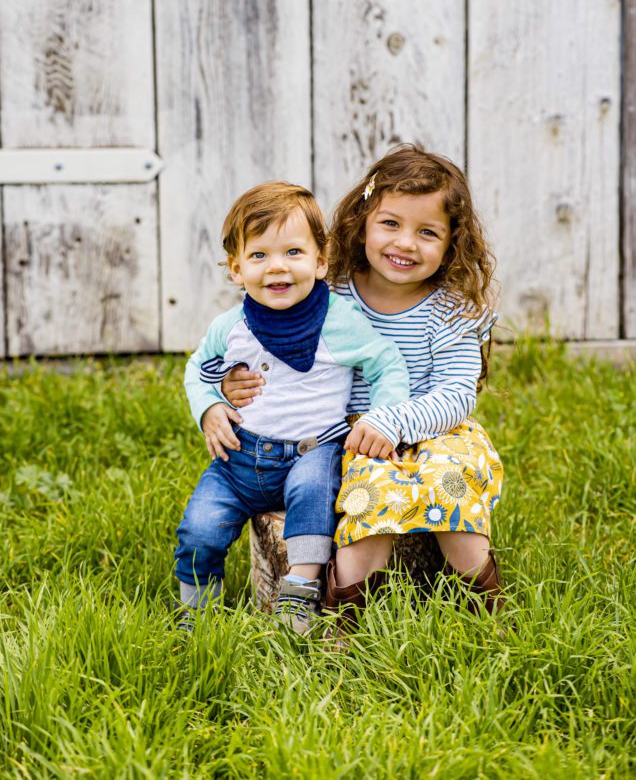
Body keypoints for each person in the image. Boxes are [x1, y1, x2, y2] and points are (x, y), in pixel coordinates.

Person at [222, 145, 505, 627]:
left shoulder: (452, 310)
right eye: (391, 224)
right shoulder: (327, 296)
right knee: (368, 502)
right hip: (351, 435)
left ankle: (486, 611)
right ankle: (344, 622)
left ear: (452, 242)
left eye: (428, 232)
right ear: (363, 221)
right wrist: (236, 378)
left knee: (451, 489)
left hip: (440, 431)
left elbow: (457, 394)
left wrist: (393, 420)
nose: (406, 243)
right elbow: (271, 347)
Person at [175, 181, 411, 633]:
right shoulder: (232, 327)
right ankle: (196, 614)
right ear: (236, 269)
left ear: (321, 261)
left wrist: (385, 418)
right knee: (199, 529)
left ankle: (297, 598)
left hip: (312, 450)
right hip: (240, 457)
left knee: (310, 502)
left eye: (294, 253)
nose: (277, 268)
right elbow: (198, 369)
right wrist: (208, 407)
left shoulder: (340, 322)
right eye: (259, 256)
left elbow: (387, 364)